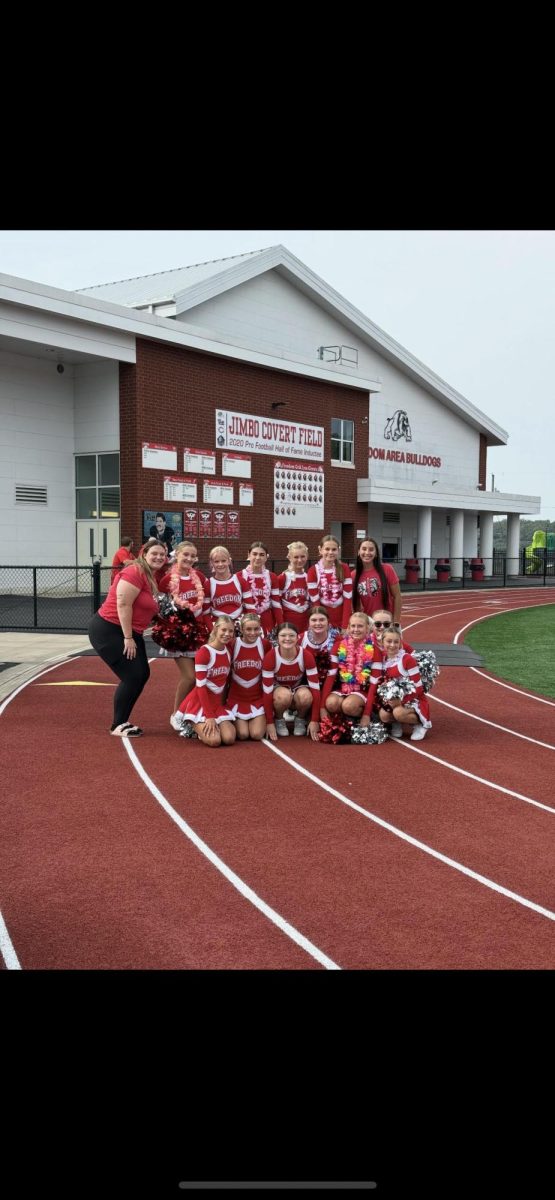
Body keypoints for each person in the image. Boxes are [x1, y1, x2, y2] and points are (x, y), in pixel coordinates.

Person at [88, 540, 167, 736]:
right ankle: (118, 724)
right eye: (154, 553)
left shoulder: (149, 575)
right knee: (132, 675)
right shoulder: (135, 572)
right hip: (110, 629)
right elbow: (123, 603)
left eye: (162, 554)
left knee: (142, 674)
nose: (158, 557)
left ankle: (122, 721)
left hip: (130, 631)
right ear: (144, 554)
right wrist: (128, 637)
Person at [158, 541, 210, 722]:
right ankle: (176, 715)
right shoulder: (167, 580)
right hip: (179, 634)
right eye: (185, 554)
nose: (189, 558)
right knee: (189, 677)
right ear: (177, 555)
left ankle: (191, 713)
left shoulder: (200, 577)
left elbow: (205, 605)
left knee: (201, 678)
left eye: (192, 556)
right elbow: (161, 608)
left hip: (199, 632)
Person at [361, 628, 431, 741]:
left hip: (413, 699)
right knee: (383, 716)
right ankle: (396, 723)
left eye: (396, 642)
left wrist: (401, 701)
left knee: (398, 713)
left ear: (400, 643)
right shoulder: (382, 660)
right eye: (389, 641)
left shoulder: (407, 659)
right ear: (382, 642)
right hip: (393, 701)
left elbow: (419, 688)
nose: (392, 645)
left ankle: (421, 724)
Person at [177, 615, 236, 748]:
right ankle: (191, 722)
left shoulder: (228, 650)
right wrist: (209, 716)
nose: (227, 634)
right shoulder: (204, 652)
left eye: (231, 631)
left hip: (217, 704)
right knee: (215, 741)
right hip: (200, 703)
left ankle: (205, 727)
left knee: (229, 738)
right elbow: (201, 687)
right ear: (215, 629)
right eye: (224, 630)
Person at [262, 622, 321, 741]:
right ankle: (279, 719)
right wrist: (269, 722)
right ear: (277, 638)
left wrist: (314, 719)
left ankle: (300, 719)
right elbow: (267, 691)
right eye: (283, 635)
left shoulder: (306, 655)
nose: (287, 639)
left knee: (305, 696)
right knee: (283, 696)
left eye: (291, 635)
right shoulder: (270, 656)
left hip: (297, 690)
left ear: (298, 637)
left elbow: (315, 689)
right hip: (279, 693)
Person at [321, 611, 375, 723]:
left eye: (360, 626)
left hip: (363, 690)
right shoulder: (339, 646)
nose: (356, 629)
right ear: (349, 627)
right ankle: (345, 722)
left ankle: (368, 717)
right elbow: (330, 677)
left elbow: (374, 683)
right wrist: (322, 708)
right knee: (331, 704)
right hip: (343, 688)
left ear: (367, 628)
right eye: (353, 626)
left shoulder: (373, 649)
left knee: (349, 706)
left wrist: (367, 714)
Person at [226, 613, 270, 741]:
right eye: (248, 629)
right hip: (236, 699)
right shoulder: (233, 644)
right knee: (243, 734)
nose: (252, 633)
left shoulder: (265, 644)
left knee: (256, 734)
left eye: (256, 629)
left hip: (257, 699)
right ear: (241, 629)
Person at [306, 535, 353, 631]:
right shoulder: (312, 571)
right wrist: (321, 624)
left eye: (334, 549)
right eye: (327, 549)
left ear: (338, 550)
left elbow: (347, 599)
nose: (330, 552)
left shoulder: (344, 568)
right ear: (320, 550)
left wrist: (345, 625)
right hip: (323, 622)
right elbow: (316, 603)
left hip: (342, 620)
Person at [352, 538, 402, 625]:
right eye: (364, 549)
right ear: (358, 552)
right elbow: (356, 605)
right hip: (369, 623)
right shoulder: (354, 575)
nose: (367, 552)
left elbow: (397, 596)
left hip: (387, 622)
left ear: (376, 554)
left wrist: (396, 622)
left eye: (371, 549)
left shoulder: (387, 569)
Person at [240, 541, 283, 637]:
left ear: (266, 557)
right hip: (247, 621)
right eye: (254, 554)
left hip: (267, 620)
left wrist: (281, 626)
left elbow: (276, 604)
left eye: (262, 555)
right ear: (249, 555)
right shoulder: (239, 576)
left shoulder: (272, 576)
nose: (258, 557)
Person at [205, 545, 248, 631]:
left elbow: (250, 608)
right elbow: (205, 613)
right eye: (216, 561)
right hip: (217, 626)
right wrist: (212, 630)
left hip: (239, 625)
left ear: (229, 561)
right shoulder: (208, 584)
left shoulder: (240, 580)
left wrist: (246, 628)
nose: (220, 564)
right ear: (212, 563)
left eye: (223, 561)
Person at [275, 541, 311, 636]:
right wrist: (281, 625)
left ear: (307, 557)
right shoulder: (283, 578)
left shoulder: (309, 577)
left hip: (305, 624)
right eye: (296, 557)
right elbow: (276, 604)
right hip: (288, 625)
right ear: (289, 557)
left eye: (302, 556)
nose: (299, 560)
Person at [299, 606, 338, 691]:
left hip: (332, 684)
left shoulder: (337, 639)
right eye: (314, 620)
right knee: (303, 697)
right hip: (306, 683)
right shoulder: (300, 639)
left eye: (322, 620)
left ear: (328, 621)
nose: (318, 623)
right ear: (308, 622)